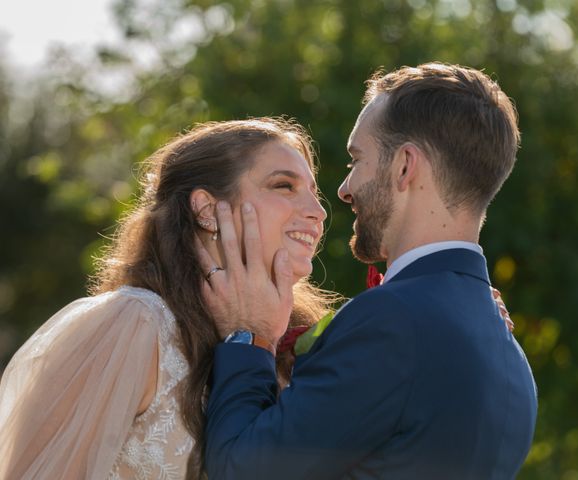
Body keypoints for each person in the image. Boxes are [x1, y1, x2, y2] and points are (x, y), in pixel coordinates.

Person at [203, 62, 538, 479]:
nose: (344, 190)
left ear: (404, 166)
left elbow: (239, 469)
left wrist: (248, 335)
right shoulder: (512, 360)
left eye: (356, 160)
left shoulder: (393, 322)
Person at [0, 118, 335, 479]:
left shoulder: (300, 347)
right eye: (284, 185)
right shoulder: (132, 324)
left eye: (314, 192)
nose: (318, 211)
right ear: (207, 211)